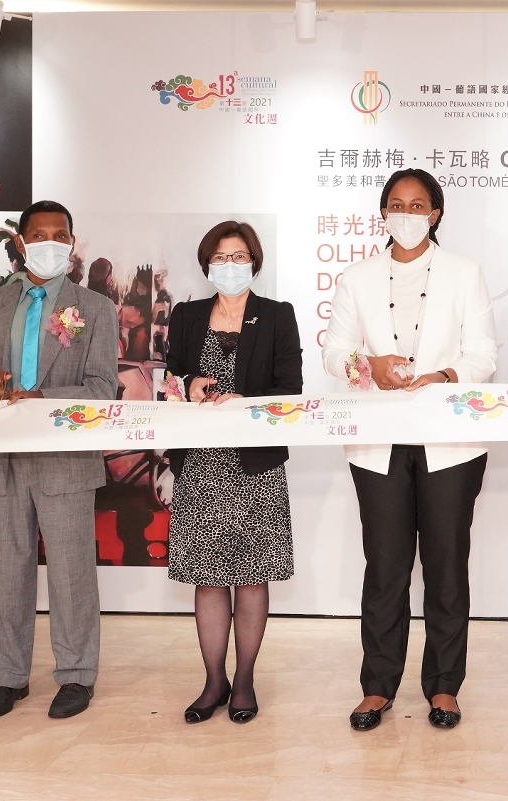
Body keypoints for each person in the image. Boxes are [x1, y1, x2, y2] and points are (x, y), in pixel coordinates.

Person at [323, 169, 497, 731]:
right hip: (379, 442)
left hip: (450, 440)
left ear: (435, 214)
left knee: (446, 565)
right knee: (386, 567)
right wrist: (367, 366)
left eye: (417, 205)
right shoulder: (357, 278)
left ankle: (444, 686)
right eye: (396, 205)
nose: (406, 213)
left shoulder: (464, 272)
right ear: (383, 214)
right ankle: (377, 686)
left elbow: (484, 355)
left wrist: (444, 375)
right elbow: (335, 354)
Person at [0, 200, 118, 719]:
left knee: (72, 574)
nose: (50, 243)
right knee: (8, 574)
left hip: (64, 459)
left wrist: (43, 400)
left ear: (71, 243)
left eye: (60, 235)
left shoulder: (94, 307)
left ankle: (76, 675)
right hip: (3, 459)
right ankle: (8, 678)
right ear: (21, 242)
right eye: (39, 235)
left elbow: (102, 389)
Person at [164, 221, 302, 725]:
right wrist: (187, 383)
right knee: (207, 579)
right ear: (207, 264)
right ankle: (213, 681)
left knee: (251, 577)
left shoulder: (277, 315)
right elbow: (169, 375)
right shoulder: (187, 315)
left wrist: (248, 402)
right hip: (201, 464)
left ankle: (243, 681)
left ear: (254, 262)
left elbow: (291, 387)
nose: (229, 265)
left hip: (254, 466)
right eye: (220, 258)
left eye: (238, 256)